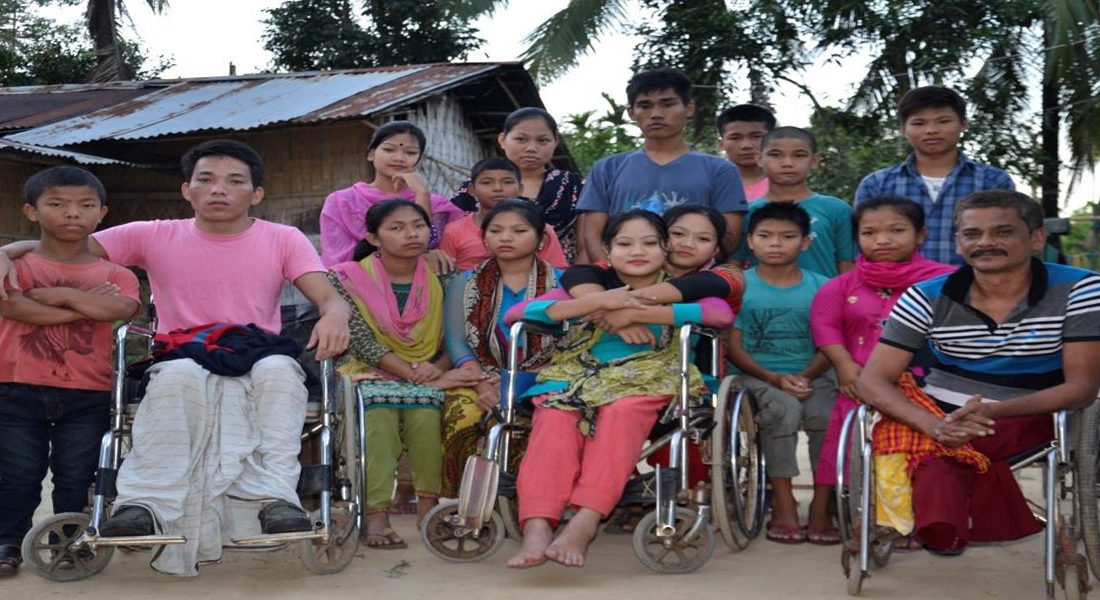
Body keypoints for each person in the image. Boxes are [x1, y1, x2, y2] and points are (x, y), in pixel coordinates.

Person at [0, 140, 352, 576]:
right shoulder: (153, 234)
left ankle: (274, 499)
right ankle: (146, 504)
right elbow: (65, 245)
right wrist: (6, 252)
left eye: (234, 181)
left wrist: (334, 315)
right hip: (182, 351)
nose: (218, 190)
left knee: (282, 372)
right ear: (188, 190)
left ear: (256, 194)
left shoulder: (283, 238)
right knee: (178, 377)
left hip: (257, 350)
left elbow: (329, 298)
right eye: (206, 180)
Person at [857, 190, 1100, 556]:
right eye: (972, 234)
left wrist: (992, 411)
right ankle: (947, 522)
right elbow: (872, 379)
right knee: (932, 444)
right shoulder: (924, 297)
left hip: (1034, 410)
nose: (986, 242)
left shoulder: (1081, 289)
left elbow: (1081, 387)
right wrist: (933, 424)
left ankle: (944, 523)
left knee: (942, 458)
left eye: (1002, 232)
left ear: (1036, 238)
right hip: (940, 411)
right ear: (958, 243)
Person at [503, 210, 734, 568]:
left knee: (621, 412)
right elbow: (517, 313)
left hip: (650, 374)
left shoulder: (680, 286)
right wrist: (601, 304)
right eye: (624, 243)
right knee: (553, 416)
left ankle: (584, 523)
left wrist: (635, 312)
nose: (636, 251)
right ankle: (537, 526)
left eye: (648, 243)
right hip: (580, 373)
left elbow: (719, 315)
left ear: (665, 248)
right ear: (607, 251)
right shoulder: (593, 281)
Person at [0, 167, 140, 577]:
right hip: (14, 386)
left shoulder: (118, 275)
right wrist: (82, 304)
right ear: (32, 211)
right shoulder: (16, 265)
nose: (71, 214)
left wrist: (61, 295)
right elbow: (12, 307)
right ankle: (8, 541)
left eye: (85, 205)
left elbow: (118, 310)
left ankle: (72, 540)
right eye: (57, 204)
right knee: (18, 474)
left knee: (77, 476)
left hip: (88, 391)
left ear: (102, 213)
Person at [329, 199, 484, 549]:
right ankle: (376, 515)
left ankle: (428, 512)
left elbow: (458, 335)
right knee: (379, 409)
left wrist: (438, 368)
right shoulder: (344, 278)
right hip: (367, 370)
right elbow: (361, 342)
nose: (411, 234)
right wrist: (418, 375)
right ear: (373, 237)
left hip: (429, 371)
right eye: (396, 228)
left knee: (426, 413)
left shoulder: (446, 277)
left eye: (417, 225)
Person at [808, 196, 955, 546]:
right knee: (840, 439)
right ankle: (823, 509)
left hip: (927, 386)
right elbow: (825, 326)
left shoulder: (947, 281)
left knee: (926, 447)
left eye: (896, 230)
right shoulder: (841, 285)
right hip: (858, 383)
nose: (882, 240)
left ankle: (921, 519)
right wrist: (845, 368)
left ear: (921, 235)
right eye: (869, 232)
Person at [727, 202, 835, 544]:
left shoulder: (824, 286)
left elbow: (830, 344)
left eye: (787, 236)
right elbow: (734, 348)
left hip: (815, 372)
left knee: (827, 414)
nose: (776, 243)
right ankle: (784, 502)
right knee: (783, 410)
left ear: (805, 242)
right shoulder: (738, 286)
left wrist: (804, 376)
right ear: (751, 241)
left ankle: (823, 503)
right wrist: (775, 379)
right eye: (765, 236)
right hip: (755, 376)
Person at [441, 200, 562, 497]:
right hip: (478, 378)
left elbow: (571, 345)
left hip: (542, 378)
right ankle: (461, 503)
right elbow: (456, 340)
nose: (505, 237)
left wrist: (519, 380)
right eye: (495, 231)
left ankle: (526, 502)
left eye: (519, 230)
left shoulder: (564, 284)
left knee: (549, 421)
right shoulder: (463, 282)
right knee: (462, 416)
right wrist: (482, 382)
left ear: (541, 239)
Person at [577, 68, 747, 260]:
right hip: (622, 283)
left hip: (694, 284)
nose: (656, 114)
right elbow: (592, 236)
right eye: (645, 106)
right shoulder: (606, 169)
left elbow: (729, 238)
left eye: (668, 104)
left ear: (689, 108)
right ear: (632, 112)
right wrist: (617, 275)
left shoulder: (721, 170)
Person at [854, 86, 1015, 265]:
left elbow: (1008, 239)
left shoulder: (993, 181)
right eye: (919, 123)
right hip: (896, 290)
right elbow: (861, 244)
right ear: (903, 129)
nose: (931, 130)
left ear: (963, 124)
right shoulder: (877, 184)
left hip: (974, 287)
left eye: (943, 121)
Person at [321, 121, 465, 273]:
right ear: (371, 154)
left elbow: (432, 247)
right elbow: (337, 260)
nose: (399, 158)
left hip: (428, 287)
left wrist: (422, 195)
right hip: (359, 286)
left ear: (419, 160)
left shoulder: (437, 204)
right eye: (389, 150)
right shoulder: (342, 202)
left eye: (410, 153)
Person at [450, 108, 585, 263]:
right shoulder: (474, 189)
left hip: (556, 275)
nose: (531, 148)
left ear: (555, 143)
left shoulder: (568, 185)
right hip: (479, 274)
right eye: (521, 139)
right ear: (502, 140)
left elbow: (584, 238)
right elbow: (452, 236)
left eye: (543, 141)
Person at [733, 126, 856, 277]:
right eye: (775, 155)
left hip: (824, 298)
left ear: (814, 161)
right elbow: (734, 264)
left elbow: (847, 265)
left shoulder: (837, 210)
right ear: (759, 159)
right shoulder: (746, 212)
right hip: (760, 300)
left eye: (799, 155)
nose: (787, 163)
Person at [439, 157, 568, 270]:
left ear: (521, 189)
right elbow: (448, 275)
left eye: (507, 182)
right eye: (487, 182)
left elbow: (556, 273)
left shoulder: (541, 229)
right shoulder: (454, 231)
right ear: (472, 190)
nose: (498, 188)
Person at [716, 103, 777, 201]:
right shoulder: (711, 185)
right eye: (735, 138)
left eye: (756, 136)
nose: (746, 145)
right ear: (721, 144)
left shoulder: (786, 184)